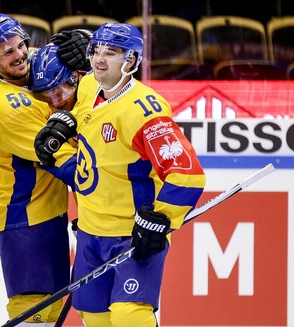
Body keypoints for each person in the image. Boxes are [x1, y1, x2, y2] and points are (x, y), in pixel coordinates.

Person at [34, 22, 207, 327]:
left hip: (130, 234)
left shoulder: (145, 111)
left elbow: (187, 175)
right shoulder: (88, 87)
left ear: (130, 61)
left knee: (130, 316)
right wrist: (66, 120)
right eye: (96, 50)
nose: (100, 59)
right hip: (89, 233)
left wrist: (160, 219)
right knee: (94, 316)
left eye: (111, 53)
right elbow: (86, 116)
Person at [0, 14, 89, 326]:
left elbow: (76, 61)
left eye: (21, 45)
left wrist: (86, 45)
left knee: (52, 310)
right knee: (34, 310)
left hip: (48, 211)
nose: (20, 54)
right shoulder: (7, 107)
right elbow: (67, 162)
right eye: (6, 51)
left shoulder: (30, 64)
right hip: (21, 217)